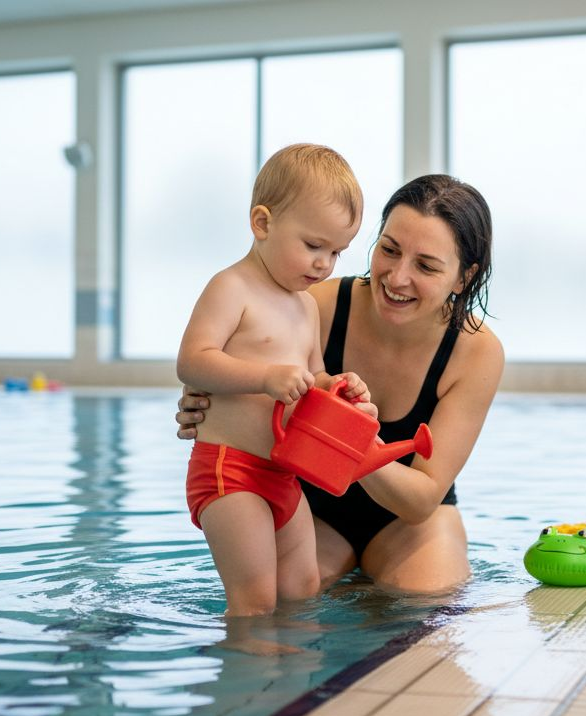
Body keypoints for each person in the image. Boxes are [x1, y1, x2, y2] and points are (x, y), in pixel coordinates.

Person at [177, 174, 503, 595]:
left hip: (408, 519)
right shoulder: (318, 304)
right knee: (279, 598)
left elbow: (422, 498)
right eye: (389, 249)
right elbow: (224, 363)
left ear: (463, 277)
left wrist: (351, 446)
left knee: (425, 599)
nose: (397, 277)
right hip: (317, 511)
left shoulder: (474, 351)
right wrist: (207, 403)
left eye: (425, 266)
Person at [177, 144, 376, 620]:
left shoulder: (306, 305)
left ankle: (294, 686)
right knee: (255, 599)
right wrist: (265, 377)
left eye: (336, 252)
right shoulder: (232, 288)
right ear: (262, 223)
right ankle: (248, 688)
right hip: (231, 470)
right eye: (313, 246)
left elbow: (310, 377)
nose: (325, 264)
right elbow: (193, 361)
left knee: (302, 588)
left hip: (282, 473)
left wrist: (338, 387)